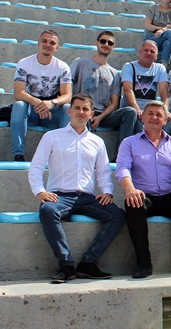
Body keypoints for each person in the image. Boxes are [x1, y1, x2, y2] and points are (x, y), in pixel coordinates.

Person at [29, 93, 126, 283]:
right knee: (47, 210)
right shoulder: (52, 137)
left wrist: (107, 191)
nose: (81, 112)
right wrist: (40, 191)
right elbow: (36, 166)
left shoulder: (97, 142)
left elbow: (104, 172)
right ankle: (66, 265)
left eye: (85, 109)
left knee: (118, 215)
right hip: (59, 197)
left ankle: (88, 263)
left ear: (91, 114)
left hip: (88, 198)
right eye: (77, 108)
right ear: (69, 111)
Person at [116, 101, 171, 278]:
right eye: (150, 113)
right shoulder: (129, 142)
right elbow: (122, 168)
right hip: (144, 196)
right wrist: (130, 189)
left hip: (169, 197)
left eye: (159, 115)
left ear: (166, 119)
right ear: (142, 117)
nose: (154, 117)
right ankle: (143, 264)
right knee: (133, 204)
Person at [70, 31, 137, 154]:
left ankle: (121, 155)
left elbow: (114, 104)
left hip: (103, 114)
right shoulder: (80, 62)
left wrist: (100, 117)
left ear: (113, 47)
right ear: (97, 43)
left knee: (130, 112)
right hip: (82, 110)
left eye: (110, 43)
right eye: (103, 41)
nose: (106, 44)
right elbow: (67, 86)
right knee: (85, 114)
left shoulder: (115, 74)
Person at [11, 30, 72, 161]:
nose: (47, 45)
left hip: (52, 112)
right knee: (19, 105)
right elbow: (18, 93)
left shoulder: (63, 67)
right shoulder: (24, 63)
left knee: (68, 108)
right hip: (31, 110)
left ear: (57, 47)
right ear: (38, 43)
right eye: (44, 41)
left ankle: (62, 155)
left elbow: (67, 96)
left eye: (52, 43)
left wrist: (51, 103)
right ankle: (18, 154)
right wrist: (39, 104)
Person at [121, 40, 171, 133]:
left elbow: (164, 91)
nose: (148, 53)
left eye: (152, 51)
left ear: (156, 56)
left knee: (168, 120)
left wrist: (165, 110)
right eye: (146, 50)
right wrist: (137, 109)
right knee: (142, 122)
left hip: (150, 111)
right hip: (134, 110)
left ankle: (163, 142)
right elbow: (128, 90)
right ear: (140, 52)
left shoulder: (160, 68)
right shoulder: (129, 66)